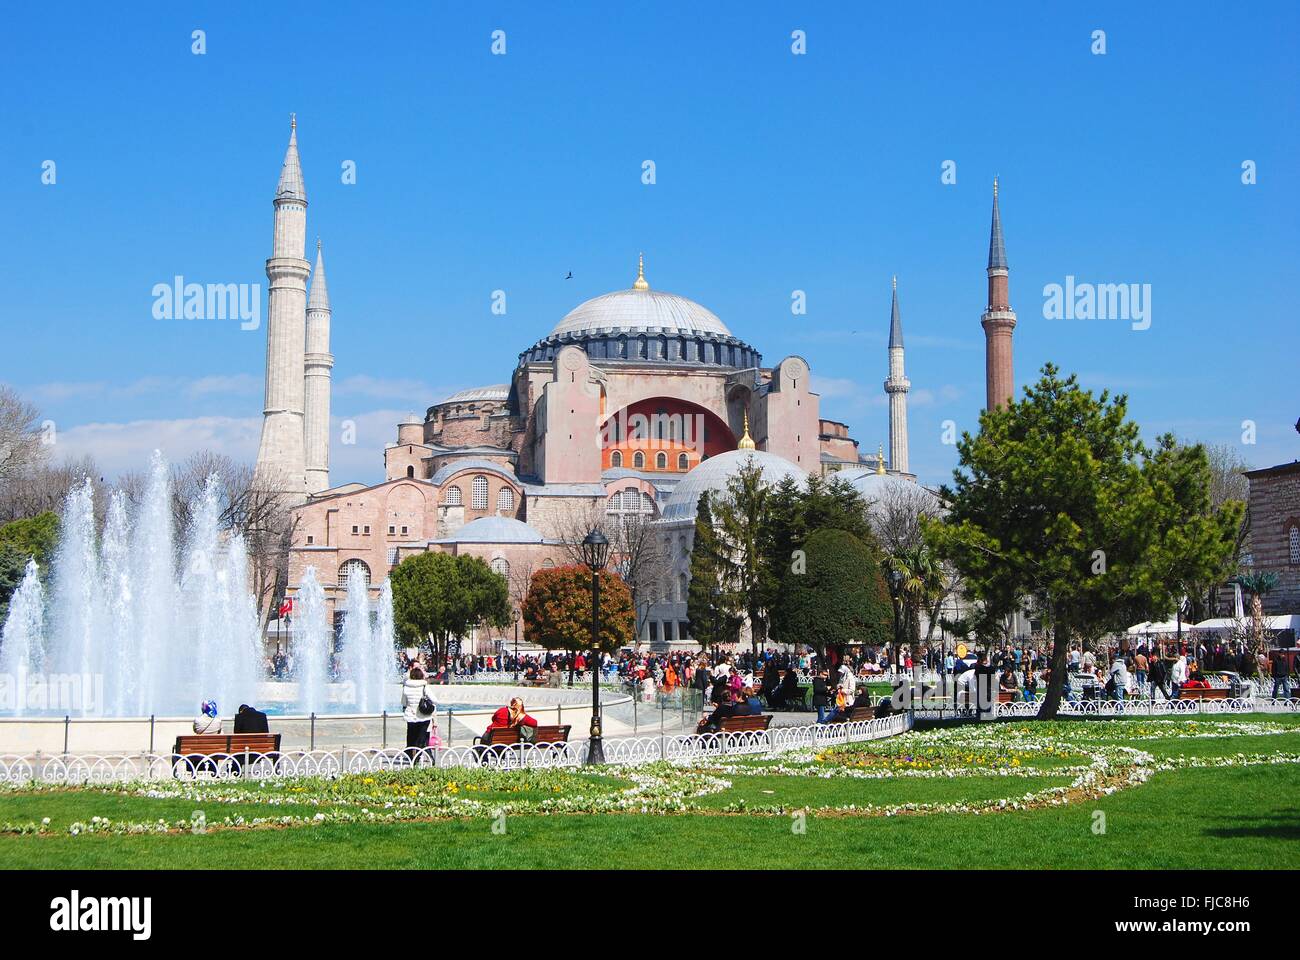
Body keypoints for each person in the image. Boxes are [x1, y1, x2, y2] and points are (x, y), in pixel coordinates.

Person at [401, 665, 435, 762]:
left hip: (410, 715)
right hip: (423, 716)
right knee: (421, 738)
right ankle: (418, 757)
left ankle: (410, 756)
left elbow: (403, 702)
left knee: (411, 736)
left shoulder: (406, 687)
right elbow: (435, 700)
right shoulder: (424, 686)